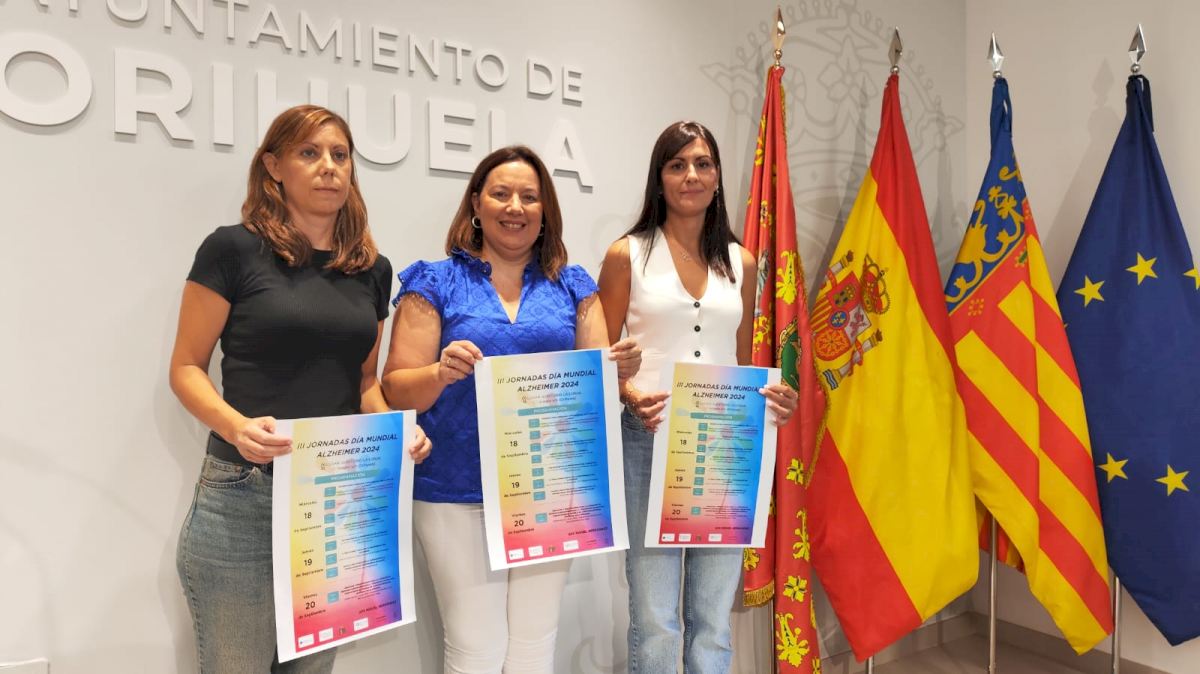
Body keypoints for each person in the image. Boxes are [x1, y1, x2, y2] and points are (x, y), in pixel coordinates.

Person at [170, 104, 431, 673]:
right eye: (309, 153)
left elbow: (363, 382)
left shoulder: (372, 269)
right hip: (245, 494)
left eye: (340, 155)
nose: (329, 167)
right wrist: (235, 426)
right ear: (273, 167)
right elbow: (186, 367)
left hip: (337, 496)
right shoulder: (232, 250)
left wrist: (397, 430)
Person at [381, 145, 640, 674]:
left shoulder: (574, 286)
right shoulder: (435, 282)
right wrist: (439, 373)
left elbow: (594, 388)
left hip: (550, 486)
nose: (515, 207)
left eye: (529, 196)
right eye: (501, 194)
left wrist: (619, 371)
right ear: (477, 203)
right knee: (475, 648)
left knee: (532, 647)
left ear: (545, 211)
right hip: (455, 488)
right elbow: (395, 390)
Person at [596, 121, 799, 674]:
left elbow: (742, 360)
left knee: (712, 617)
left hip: (725, 443)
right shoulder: (626, 255)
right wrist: (629, 392)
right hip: (649, 437)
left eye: (703, 164)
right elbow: (598, 360)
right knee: (656, 616)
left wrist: (774, 397)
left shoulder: (742, 262)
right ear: (659, 178)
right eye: (677, 164)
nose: (691, 175)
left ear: (717, 177)